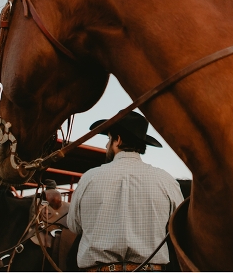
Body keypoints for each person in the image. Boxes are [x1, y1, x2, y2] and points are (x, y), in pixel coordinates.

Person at [67, 111, 184, 272]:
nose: (106, 145)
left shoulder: (89, 178)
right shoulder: (167, 181)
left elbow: (74, 226)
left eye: (109, 139)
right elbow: (179, 229)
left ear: (118, 140)